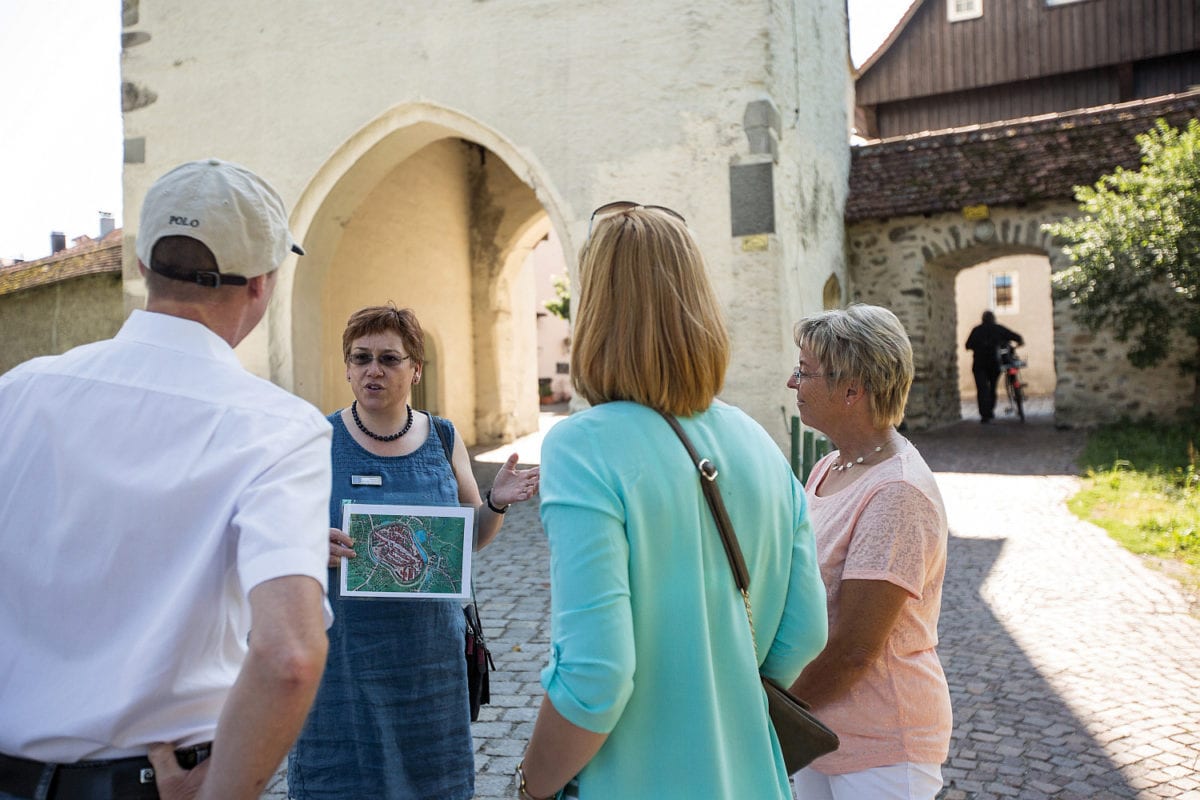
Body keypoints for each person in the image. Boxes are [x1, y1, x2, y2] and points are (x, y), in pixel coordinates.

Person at [0, 158, 333, 800]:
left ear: (145, 266)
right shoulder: (275, 428)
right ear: (262, 284)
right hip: (150, 781)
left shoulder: (19, 392)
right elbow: (290, 655)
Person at [515, 203, 829, 800]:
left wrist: (530, 786)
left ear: (596, 311)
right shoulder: (758, 441)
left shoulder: (584, 446)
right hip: (751, 775)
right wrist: (725, 689)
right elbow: (807, 633)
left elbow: (595, 675)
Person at [287, 304, 540, 800]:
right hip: (345, 657)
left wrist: (496, 503)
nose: (372, 370)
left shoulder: (442, 437)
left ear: (415, 370)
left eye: (389, 358)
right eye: (360, 358)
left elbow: (469, 539)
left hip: (428, 658)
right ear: (347, 366)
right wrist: (307, 543)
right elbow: (277, 534)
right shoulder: (316, 440)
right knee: (340, 778)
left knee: (431, 781)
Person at [785, 304, 952, 800]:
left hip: (883, 746)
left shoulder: (896, 493)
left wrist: (773, 716)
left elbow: (855, 650)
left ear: (852, 389)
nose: (793, 383)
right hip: (820, 728)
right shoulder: (830, 467)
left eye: (805, 372)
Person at [965, 310, 1024, 423]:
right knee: (992, 388)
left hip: (979, 364)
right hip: (993, 363)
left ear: (982, 319)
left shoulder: (976, 330)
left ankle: (985, 415)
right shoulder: (998, 328)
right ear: (993, 319)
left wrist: (978, 346)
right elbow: (1015, 336)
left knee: (982, 389)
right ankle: (990, 411)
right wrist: (1019, 342)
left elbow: (967, 345)